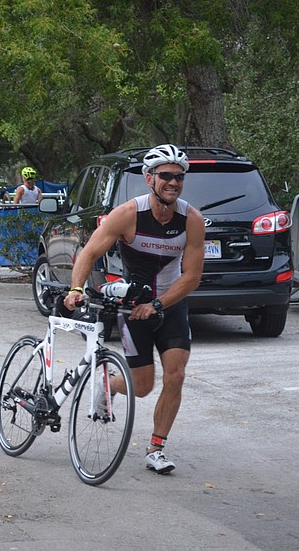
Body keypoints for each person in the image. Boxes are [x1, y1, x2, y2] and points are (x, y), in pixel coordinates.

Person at [64, 144, 205, 475]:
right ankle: (108, 385)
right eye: (166, 176)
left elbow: (193, 276)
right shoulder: (128, 214)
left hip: (170, 305)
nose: (173, 183)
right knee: (142, 386)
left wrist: (157, 304)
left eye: (179, 177)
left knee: (176, 375)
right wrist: (75, 288)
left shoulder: (191, 220)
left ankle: (156, 448)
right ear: (149, 178)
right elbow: (88, 253)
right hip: (131, 308)